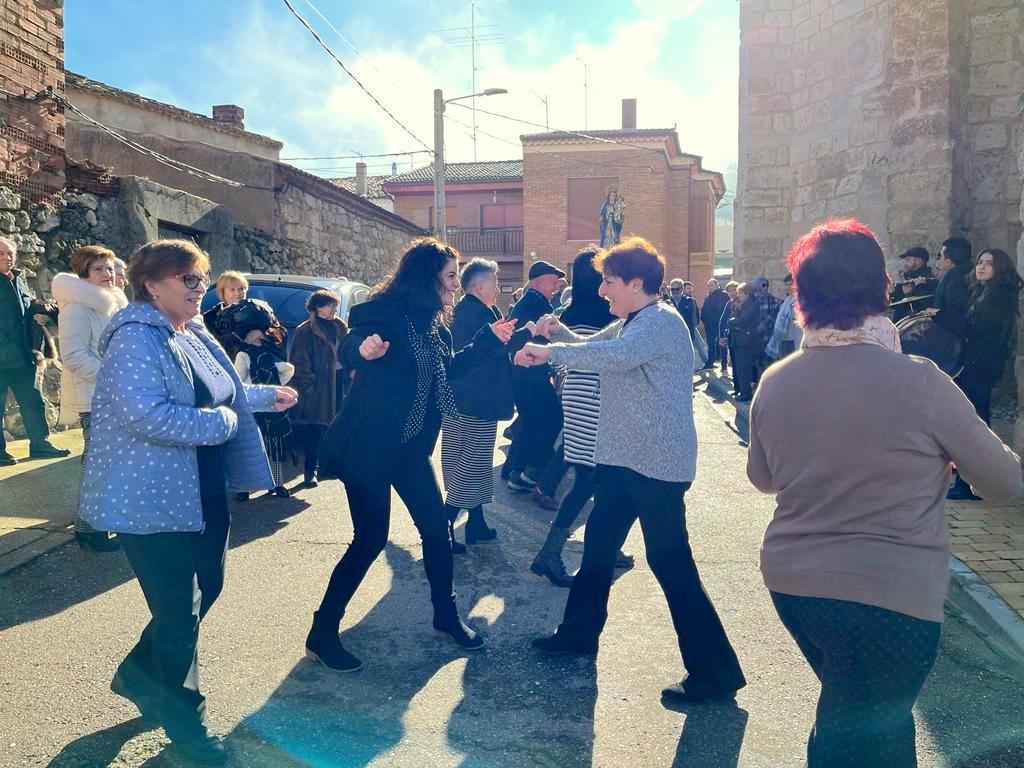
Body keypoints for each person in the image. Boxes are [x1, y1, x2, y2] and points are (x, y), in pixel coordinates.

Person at [746, 218, 1021, 768]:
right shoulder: (919, 381)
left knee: (863, 718)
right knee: (861, 734)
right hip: (893, 594)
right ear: (883, 290)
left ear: (801, 296)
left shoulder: (776, 379)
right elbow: (1004, 484)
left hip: (796, 583)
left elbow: (763, 478)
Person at [80, 239, 298, 765]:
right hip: (149, 497)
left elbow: (220, 391)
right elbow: (147, 415)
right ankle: (188, 726)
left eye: (202, 278)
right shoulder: (136, 338)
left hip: (201, 487)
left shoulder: (190, 331)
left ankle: (138, 674)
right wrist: (221, 425)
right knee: (180, 612)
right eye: (190, 280)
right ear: (152, 284)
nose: (201, 288)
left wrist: (266, 397)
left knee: (207, 590)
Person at [516, 237, 746, 704]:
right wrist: (557, 333)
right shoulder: (630, 321)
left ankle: (715, 670)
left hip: (656, 465)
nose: (603, 290)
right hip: (625, 460)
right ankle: (578, 634)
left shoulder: (659, 322)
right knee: (598, 549)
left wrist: (550, 353)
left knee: (670, 563)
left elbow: (613, 359)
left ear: (637, 283)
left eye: (609, 281)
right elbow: (590, 347)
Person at [311, 237, 515, 672]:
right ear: (427, 277)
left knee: (437, 531)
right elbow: (356, 343)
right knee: (369, 540)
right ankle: (323, 631)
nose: (456, 285)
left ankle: (446, 615)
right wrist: (361, 351)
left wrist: (489, 340)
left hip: (409, 449)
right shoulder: (379, 312)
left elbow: (450, 368)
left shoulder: (435, 325)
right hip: (367, 447)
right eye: (450, 277)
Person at [530, 246, 634, 587]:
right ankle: (554, 553)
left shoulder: (571, 309)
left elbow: (572, 352)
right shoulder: (613, 314)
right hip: (596, 399)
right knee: (593, 479)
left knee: (600, 478)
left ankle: (604, 546)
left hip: (576, 395)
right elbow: (601, 355)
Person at [442, 258, 534, 551]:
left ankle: (476, 524)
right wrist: (531, 331)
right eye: (494, 283)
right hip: (473, 403)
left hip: (471, 401)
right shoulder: (473, 313)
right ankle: (443, 525)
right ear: (480, 286)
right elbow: (497, 347)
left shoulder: (478, 310)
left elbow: (500, 344)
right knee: (470, 463)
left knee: (477, 465)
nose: (498, 288)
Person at [51, 245, 128, 551]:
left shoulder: (111, 302)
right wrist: (113, 374)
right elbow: (72, 356)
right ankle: (89, 529)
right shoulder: (76, 306)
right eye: (98, 269)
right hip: (94, 398)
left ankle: (107, 521)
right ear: (83, 273)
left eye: (109, 268)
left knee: (114, 463)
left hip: (115, 396)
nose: (107, 274)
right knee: (98, 463)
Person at [947, 247, 1023, 500]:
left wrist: (942, 318)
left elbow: (977, 331)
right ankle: (970, 482)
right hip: (974, 365)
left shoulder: (1000, 297)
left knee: (975, 424)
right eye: (980, 262)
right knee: (972, 421)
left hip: (982, 367)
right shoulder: (982, 293)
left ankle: (974, 484)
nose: (981, 267)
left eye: (989, 264)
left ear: (999, 268)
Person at [0, 236, 70, 466]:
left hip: (24, 356)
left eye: (10, 253)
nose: (7, 257)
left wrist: (43, 316)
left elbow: (28, 308)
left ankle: (41, 445)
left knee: (34, 402)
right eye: (1, 253)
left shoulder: (19, 279)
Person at [505, 260, 566, 492]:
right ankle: (533, 470)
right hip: (532, 376)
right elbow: (538, 338)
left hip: (526, 376)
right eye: (553, 282)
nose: (556, 286)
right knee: (553, 418)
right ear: (539, 282)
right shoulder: (535, 303)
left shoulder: (530, 301)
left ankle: (516, 473)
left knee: (530, 424)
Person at [228, 300, 294, 497]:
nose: (256, 336)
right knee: (252, 446)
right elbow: (238, 380)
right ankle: (245, 487)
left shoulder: (271, 346)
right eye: (253, 333)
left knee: (274, 443)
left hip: (272, 402)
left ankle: (277, 482)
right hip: (252, 405)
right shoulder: (242, 353)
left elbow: (285, 366)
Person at [288, 289, 348, 489]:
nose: (333, 309)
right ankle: (309, 470)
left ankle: (327, 466)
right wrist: (309, 385)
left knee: (335, 428)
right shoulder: (305, 330)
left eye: (335, 305)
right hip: (319, 388)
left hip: (339, 382)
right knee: (315, 430)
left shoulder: (340, 327)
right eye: (329, 305)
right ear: (317, 307)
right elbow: (299, 361)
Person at [927, 237, 972, 337]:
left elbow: (958, 321)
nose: (939, 261)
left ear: (948, 261)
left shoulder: (956, 283)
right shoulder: (967, 276)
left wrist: (934, 313)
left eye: (941, 257)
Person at [727, 283, 759, 401]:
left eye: (740, 292)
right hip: (738, 340)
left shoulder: (753, 305)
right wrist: (733, 322)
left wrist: (733, 323)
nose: (738, 294)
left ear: (747, 294)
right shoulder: (740, 305)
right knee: (738, 367)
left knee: (744, 368)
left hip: (746, 341)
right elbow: (733, 319)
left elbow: (742, 321)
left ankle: (746, 394)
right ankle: (741, 390)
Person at [888, 247, 936, 323]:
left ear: (919, 261)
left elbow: (929, 304)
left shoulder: (928, 280)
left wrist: (917, 288)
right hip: (902, 324)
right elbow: (896, 303)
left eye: (908, 260)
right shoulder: (907, 276)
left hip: (919, 325)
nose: (905, 264)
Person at [765, 274, 802, 361]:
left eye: (790, 284)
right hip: (783, 337)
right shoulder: (787, 300)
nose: (788, 287)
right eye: (786, 284)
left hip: (794, 339)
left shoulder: (800, 299)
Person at [700, 278, 729, 369]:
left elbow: (725, 310)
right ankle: (710, 362)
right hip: (709, 325)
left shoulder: (724, 295)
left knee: (722, 343)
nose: (710, 287)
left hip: (720, 324)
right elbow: (704, 310)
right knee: (710, 344)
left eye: (711, 285)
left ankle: (724, 364)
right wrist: (705, 320)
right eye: (708, 286)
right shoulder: (708, 297)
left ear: (717, 285)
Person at [718, 280, 740, 378]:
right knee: (730, 353)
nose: (732, 292)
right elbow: (722, 320)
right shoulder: (729, 304)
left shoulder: (743, 302)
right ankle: (725, 368)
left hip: (740, 334)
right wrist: (721, 336)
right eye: (730, 291)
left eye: (734, 290)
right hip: (729, 333)